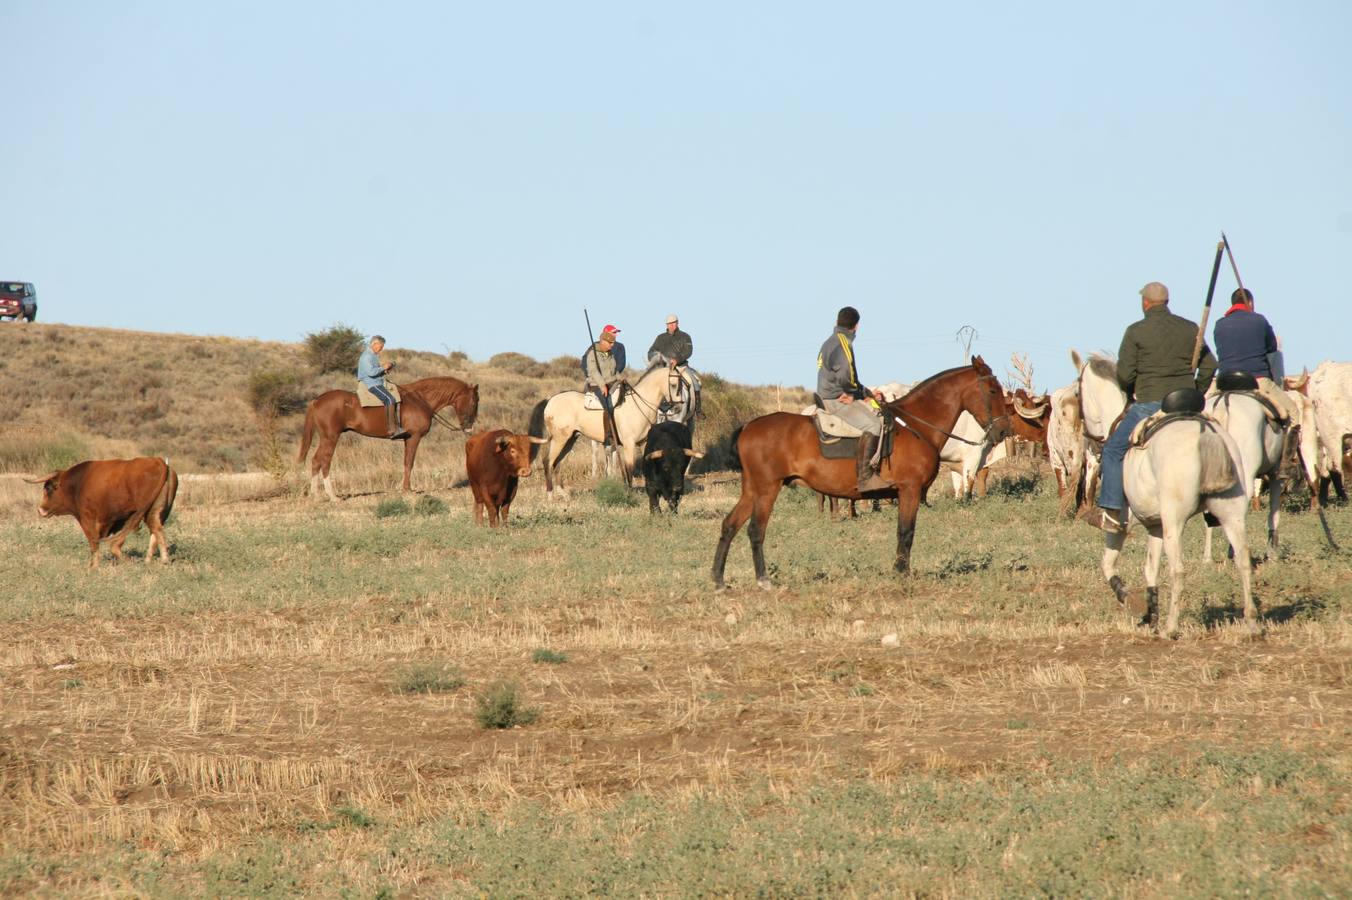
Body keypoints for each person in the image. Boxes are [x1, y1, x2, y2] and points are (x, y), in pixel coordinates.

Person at [1083, 282, 1217, 532]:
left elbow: (1124, 374)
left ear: (1145, 303)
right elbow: (1210, 364)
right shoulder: (1190, 328)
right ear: (1167, 302)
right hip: (1187, 405)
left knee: (1112, 450)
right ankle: (1215, 502)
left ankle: (1111, 513)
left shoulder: (1136, 331)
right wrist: (1195, 390)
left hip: (1150, 404)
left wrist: (1132, 388)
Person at [817, 306, 890, 493]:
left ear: (837, 322)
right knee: (874, 425)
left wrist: (864, 392)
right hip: (836, 399)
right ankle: (865, 477)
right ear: (856, 327)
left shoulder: (829, 341)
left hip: (827, 393)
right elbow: (846, 378)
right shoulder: (843, 345)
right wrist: (855, 393)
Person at [1213, 288, 1299, 420]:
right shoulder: (1259, 320)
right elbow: (1272, 347)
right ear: (1251, 303)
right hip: (1257, 381)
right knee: (1293, 412)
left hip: (1225, 383)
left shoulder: (1219, 324)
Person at [647, 313, 701, 425]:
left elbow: (688, 351)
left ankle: (698, 410)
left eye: (673, 323)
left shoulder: (685, 336)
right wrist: (656, 358)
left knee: (695, 382)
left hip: (681, 366)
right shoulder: (660, 338)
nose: (671, 325)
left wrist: (677, 359)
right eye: (669, 324)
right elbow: (651, 351)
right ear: (666, 325)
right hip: (664, 368)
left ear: (677, 323)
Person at [357, 334, 407, 439]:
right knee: (390, 399)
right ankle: (393, 429)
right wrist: (383, 367)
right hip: (371, 383)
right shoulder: (367, 356)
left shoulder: (373, 356)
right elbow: (371, 372)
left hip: (377, 381)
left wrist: (385, 370)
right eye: (380, 347)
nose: (381, 350)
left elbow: (375, 371)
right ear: (374, 344)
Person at [584, 325, 622, 447]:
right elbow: (593, 371)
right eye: (610, 343)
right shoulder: (592, 354)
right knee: (608, 406)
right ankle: (608, 437)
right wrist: (602, 386)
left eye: (613, 343)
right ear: (603, 341)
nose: (612, 345)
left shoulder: (609, 353)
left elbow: (614, 371)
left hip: (611, 382)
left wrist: (621, 378)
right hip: (597, 385)